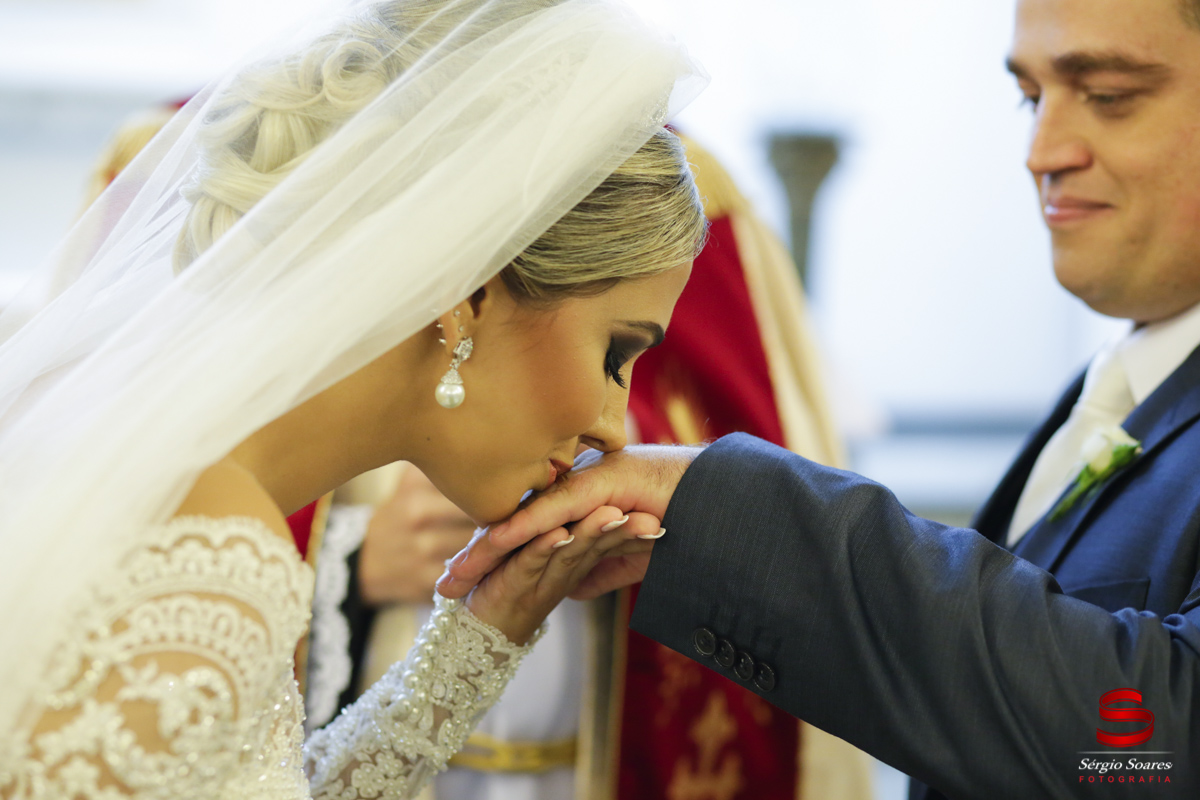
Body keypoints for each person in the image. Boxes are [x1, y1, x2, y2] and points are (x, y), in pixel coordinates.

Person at [439, 0, 1200, 796]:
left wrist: (718, 512)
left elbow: (1167, 742)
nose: (1041, 151)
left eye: (1110, 95)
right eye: (1030, 97)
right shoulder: (1123, 378)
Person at [0, 1, 707, 797]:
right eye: (617, 354)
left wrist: (484, 633)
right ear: (470, 294)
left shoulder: (180, 476)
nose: (613, 431)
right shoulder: (211, 551)